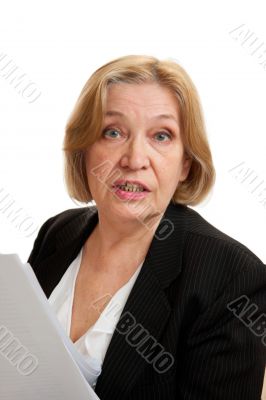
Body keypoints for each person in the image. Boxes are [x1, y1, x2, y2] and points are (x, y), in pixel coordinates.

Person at [27, 54, 266, 399]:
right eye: (113, 132)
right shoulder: (58, 232)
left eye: (161, 136)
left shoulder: (232, 278)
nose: (134, 159)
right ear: (84, 150)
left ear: (186, 162)